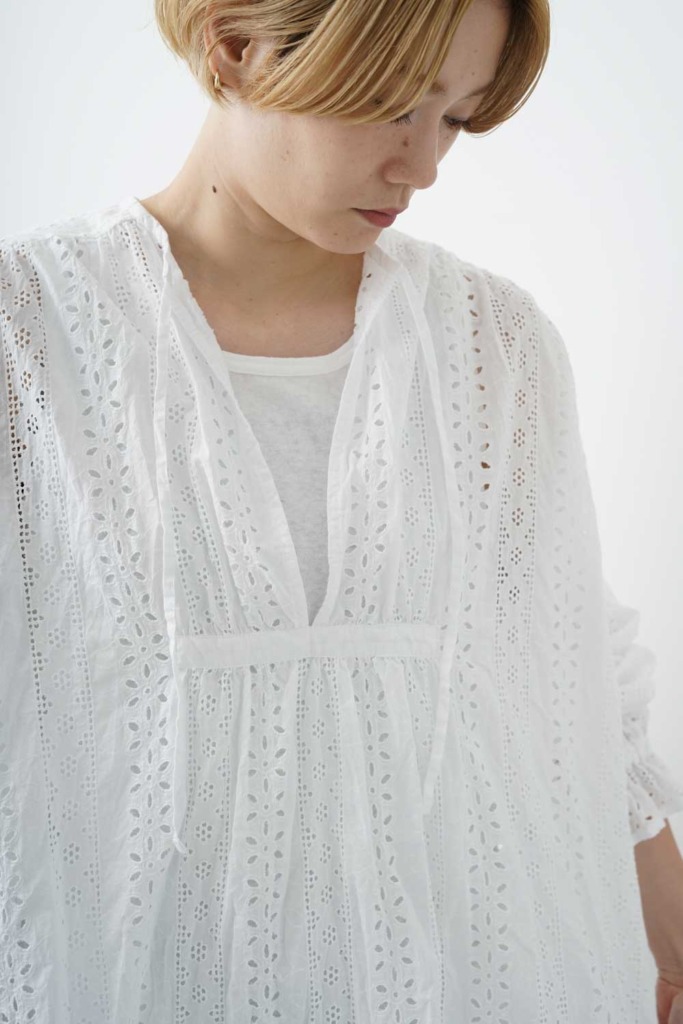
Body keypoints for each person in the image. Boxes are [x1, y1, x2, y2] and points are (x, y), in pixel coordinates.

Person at [1, 0, 683, 1020]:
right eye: (392, 106)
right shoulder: (31, 334)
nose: (424, 166)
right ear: (236, 51)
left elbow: (574, 665)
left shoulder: (491, 345)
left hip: (460, 975)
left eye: (454, 119)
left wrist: (670, 937)